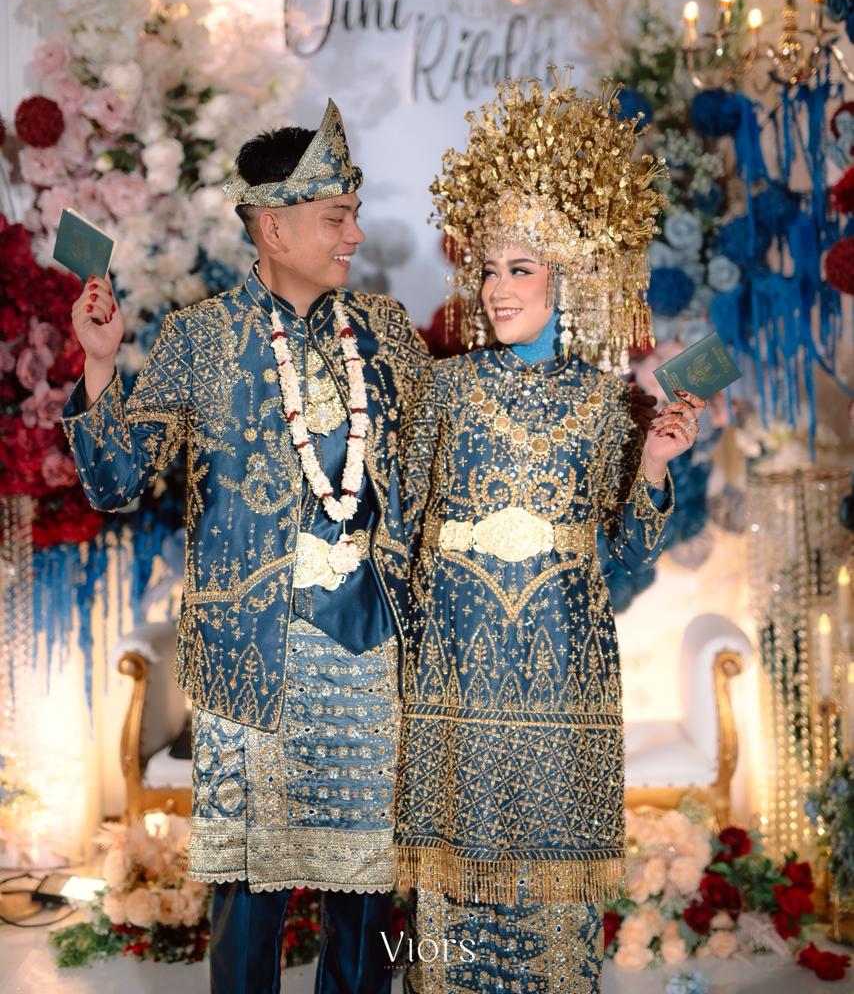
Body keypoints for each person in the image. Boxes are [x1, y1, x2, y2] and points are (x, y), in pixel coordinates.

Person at [62, 100, 430, 994]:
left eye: (353, 214)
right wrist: (101, 364)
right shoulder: (201, 337)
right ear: (273, 225)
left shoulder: (385, 332)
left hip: (372, 651)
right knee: (249, 905)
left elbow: (443, 472)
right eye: (335, 217)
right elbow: (114, 481)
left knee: (368, 906)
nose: (353, 234)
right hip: (248, 659)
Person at [394, 77, 707, 992]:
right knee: (451, 888)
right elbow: (399, 527)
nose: (497, 289)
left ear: (564, 278)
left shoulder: (607, 403)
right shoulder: (443, 388)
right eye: (488, 269)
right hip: (455, 666)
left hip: (562, 666)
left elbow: (632, 548)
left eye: (519, 269)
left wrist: (655, 464)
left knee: (551, 888)